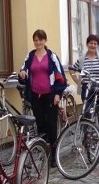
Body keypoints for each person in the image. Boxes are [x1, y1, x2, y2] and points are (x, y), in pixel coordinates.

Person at [18, 29, 68, 164]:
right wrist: (22, 74)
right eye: (35, 40)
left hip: (50, 95)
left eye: (40, 39)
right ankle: (44, 152)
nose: (38, 42)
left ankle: (54, 155)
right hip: (36, 95)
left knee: (51, 125)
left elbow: (60, 76)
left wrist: (58, 93)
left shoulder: (51, 56)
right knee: (40, 125)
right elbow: (24, 71)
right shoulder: (30, 56)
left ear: (45, 40)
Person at [69, 34, 99, 150]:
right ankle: (88, 141)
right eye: (91, 43)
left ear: (98, 45)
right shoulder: (81, 59)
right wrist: (78, 82)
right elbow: (72, 69)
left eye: (95, 43)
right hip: (87, 89)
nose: (93, 45)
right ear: (87, 44)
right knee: (87, 114)